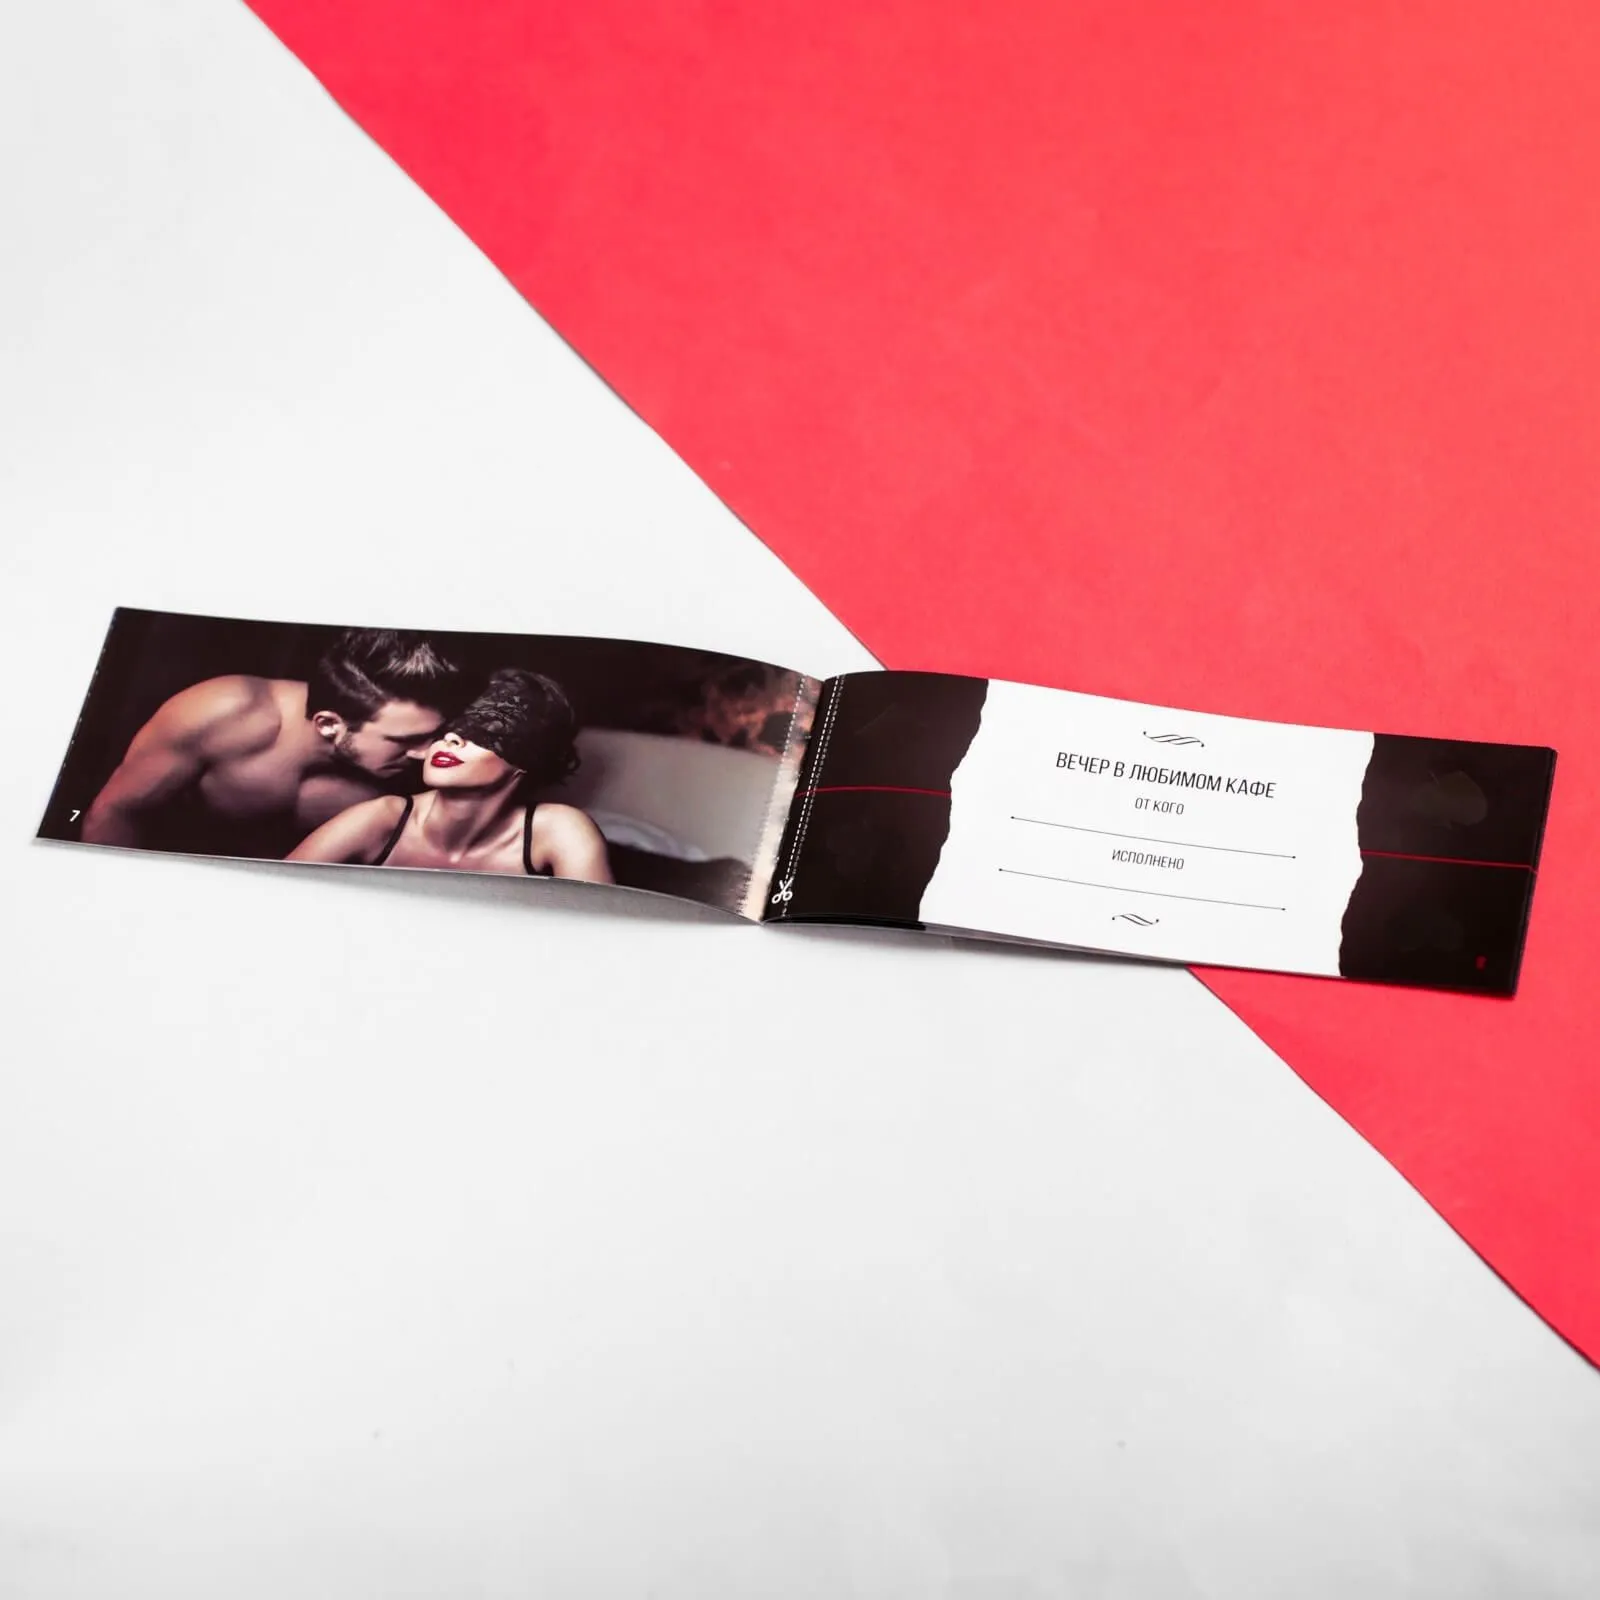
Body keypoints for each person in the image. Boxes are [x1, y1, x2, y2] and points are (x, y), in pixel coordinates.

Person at [82, 628, 464, 859]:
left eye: (431, 734)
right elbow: (116, 811)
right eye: (405, 740)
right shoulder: (227, 712)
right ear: (329, 724)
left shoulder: (428, 779)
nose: (426, 752)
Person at [287, 667, 613, 882]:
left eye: (488, 730)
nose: (452, 738)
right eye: (450, 727)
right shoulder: (380, 819)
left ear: (529, 757)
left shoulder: (559, 830)